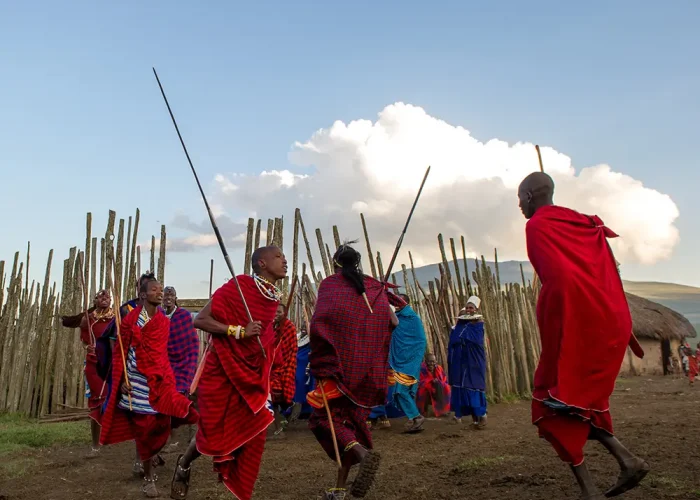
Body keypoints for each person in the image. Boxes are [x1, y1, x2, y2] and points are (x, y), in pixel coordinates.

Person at [519, 171, 649, 499]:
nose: (519, 206)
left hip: (574, 326)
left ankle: (593, 488)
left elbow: (559, 278)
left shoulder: (536, 225)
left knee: (549, 406)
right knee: (577, 405)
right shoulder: (580, 222)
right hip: (606, 319)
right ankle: (626, 461)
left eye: (520, 198)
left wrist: (555, 318)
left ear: (531, 196)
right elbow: (607, 270)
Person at [170, 246, 287, 500]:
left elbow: (262, 333)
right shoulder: (239, 287)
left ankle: (242, 490)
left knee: (255, 428)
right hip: (222, 372)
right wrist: (239, 331)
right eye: (278, 256)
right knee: (213, 432)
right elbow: (200, 320)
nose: (285, 260)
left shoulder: (273, 297)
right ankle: (184, 464)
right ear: (262, 264)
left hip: (252, 374)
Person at [306, 242, 401, 499]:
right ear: (357, 263)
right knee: (351, 423)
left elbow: (320, 322)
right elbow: (393, 321)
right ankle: (338, 488)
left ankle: (362, 454)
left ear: (335, 264)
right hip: (368, 370)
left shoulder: (331, 285)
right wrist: (369, 332)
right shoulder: (374, 288)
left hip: (339, 371)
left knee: (324, 420)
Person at [99, 274, 199, 498]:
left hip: (160, 379)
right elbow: (120, 352)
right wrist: (122, 380)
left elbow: (161, 352)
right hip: (136, 382)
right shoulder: (130, 320)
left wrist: (167, 375)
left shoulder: (163, 321)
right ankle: (147, 478)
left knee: (163, 424)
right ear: (142, 295)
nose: (160, 293)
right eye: (155, 290)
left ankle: (152, 456)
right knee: (144, 430)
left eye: (161, 289)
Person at [61, 289, 114, 457]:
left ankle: (118, 437)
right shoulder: (88, 320)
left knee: (115, 401)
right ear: (95, 300)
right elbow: (84, 342)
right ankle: (95, 445)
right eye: (101, 296)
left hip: (113, 365)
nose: (105, 298)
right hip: (93, 365)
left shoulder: (116, 319)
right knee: (96, 403)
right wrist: (88, 347)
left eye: (107, 296)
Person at [388, 293, 427, 433]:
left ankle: (416, 417)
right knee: (400, 391)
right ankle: (414, 419)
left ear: (405, 303)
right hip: (401, 361)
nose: (396, 303)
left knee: (401, 390)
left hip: (410, 361)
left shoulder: (412, 318)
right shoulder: (397, 317)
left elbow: (419, 340)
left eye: (398, 300)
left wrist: (412, 358)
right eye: (394, 300)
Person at [448, 297, 488, 428]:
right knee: (462, 388)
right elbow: (453, 340)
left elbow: (475, 341)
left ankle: (482, 416)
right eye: (467, 307)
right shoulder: (459, 326)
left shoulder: (478, 325)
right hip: (460, 362)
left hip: (474, 361)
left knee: (474, 386)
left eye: (471, 308)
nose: (469, 310)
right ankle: (475, 420)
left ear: (476, 309)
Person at [163, 286, 199, 395]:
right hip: (164, 362)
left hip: (182, 364)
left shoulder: (184, 316)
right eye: (166, 295)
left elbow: (192, 342)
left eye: (171, 295)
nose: (169, 297)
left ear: (175, 298)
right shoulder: (158, 315)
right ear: (162, 298)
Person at [269, 303, 298, 437]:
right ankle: (278, 425)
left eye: (279, 312)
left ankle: (290, 406)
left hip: (286, 364)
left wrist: (284, 363)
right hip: (272, 366)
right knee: (273, 393)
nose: (276, 315)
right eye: (274, 312)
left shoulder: (289, 327)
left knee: (280, 393)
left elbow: (291, 348)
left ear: (284, 313)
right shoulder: (270, 326)